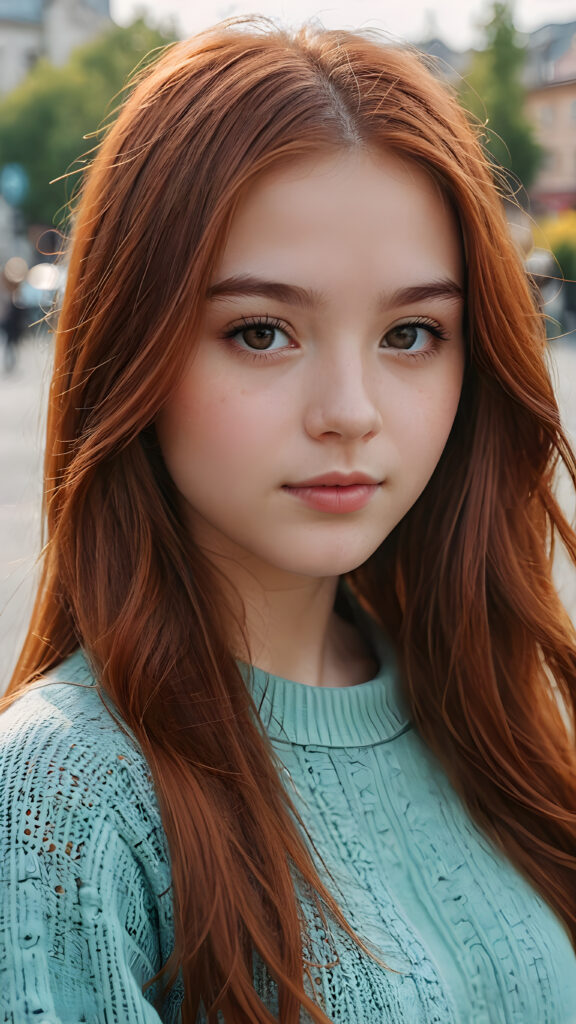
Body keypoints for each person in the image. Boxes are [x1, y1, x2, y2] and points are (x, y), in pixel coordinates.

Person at [0, 16, 575, 1024]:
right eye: (261, 331)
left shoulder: (485, 715)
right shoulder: (65, 800)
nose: (350, 409)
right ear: (133, 348)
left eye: (411, 333)